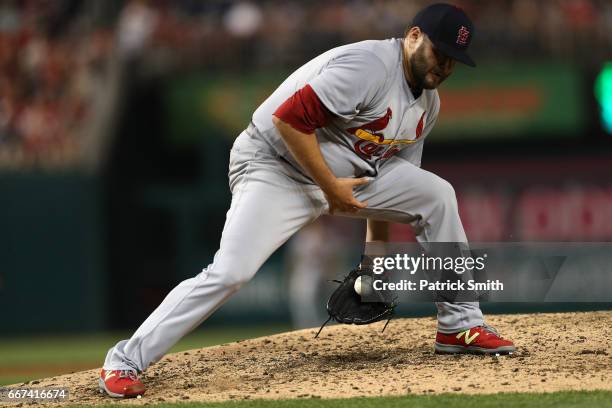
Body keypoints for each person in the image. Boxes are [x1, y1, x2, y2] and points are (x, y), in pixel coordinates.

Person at [98, 3, 515, 398]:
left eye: (453, 59)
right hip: (275, 166)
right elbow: (288, 119)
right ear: (412, 36)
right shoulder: (369, 66)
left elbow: (394, 182)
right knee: (231, 272)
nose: (444, 66)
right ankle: (124, 361)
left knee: (437, 195)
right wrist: (331, 188)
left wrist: (375, 263)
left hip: (342, 174)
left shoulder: (429, 104)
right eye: (439, 52)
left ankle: (460, 325)